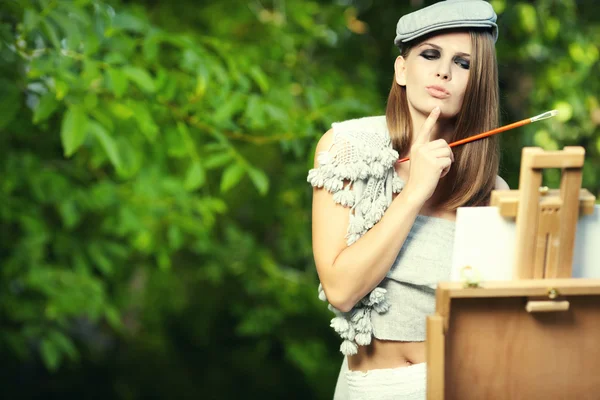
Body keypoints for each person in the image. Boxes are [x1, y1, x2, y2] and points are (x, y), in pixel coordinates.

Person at [307, 0, 510, 398]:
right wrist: (415, 191)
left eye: (464, 64)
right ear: (401, 69)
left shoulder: (490, 190)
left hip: (457, 383)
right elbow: (341, 290)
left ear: (478, 83)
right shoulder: (348, 147)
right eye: (430, 55)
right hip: (365, 386)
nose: (444, 71)